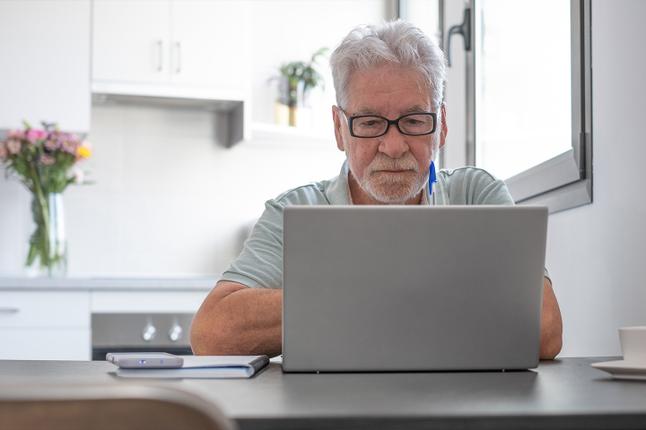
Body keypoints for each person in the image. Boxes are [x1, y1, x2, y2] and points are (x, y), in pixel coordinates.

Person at [190, 20, 563, 359]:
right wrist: (404, 295)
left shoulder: (477, 195)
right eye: (369, 123)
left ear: (442, 125)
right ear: (339, 128)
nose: (394, 146)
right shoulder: (294, 210)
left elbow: (543, 329)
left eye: (415, 121)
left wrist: (341, 303)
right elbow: (213, 333)